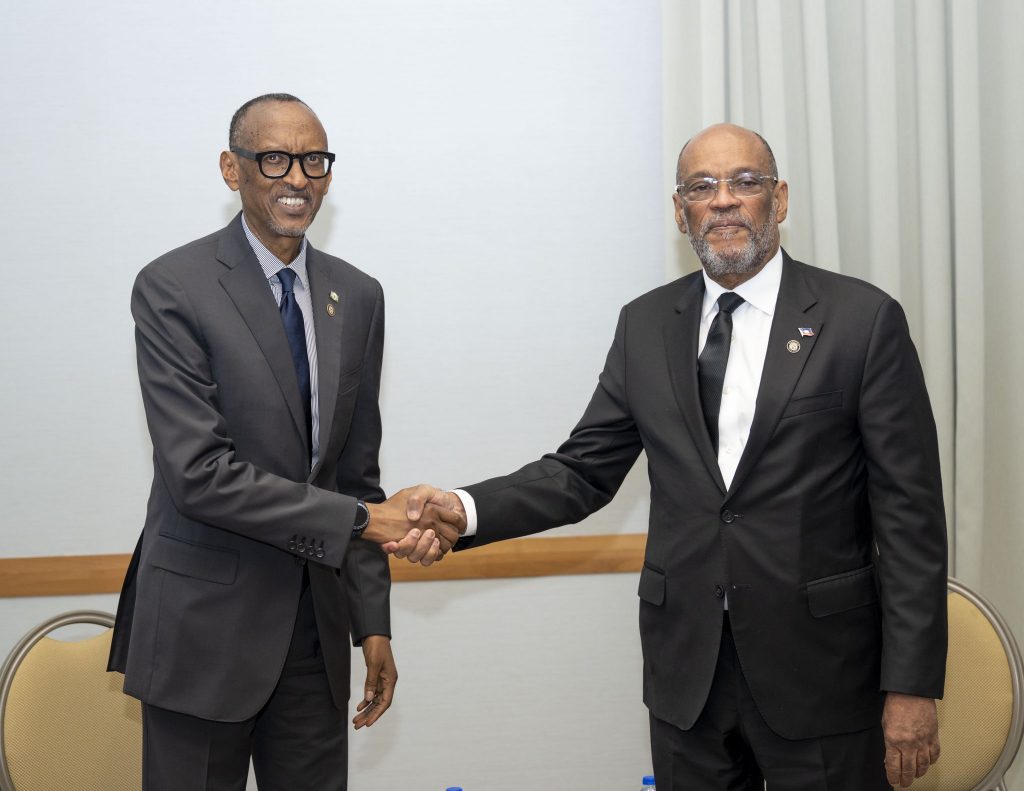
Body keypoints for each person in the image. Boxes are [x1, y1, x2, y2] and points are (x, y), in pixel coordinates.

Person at [394, 123, 948, 789]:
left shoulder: (861, 320)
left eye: (745, 182)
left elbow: (910, 523)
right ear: (680, 208)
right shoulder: (647, 325)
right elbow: (581, 471)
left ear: (780, 199)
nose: (723, 200)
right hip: (689, 678)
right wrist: (465, 507)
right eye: (701, 186)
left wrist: (912, 686)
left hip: (823, 676)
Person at [107, 93, 462, 791]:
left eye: (313, 160)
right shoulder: (172, 288)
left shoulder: (357, 297)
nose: (296, 178)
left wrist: (373, 625)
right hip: (201, 633)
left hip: (313, 637)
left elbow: (355, 471)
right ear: (231, 168)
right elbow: (199, 473)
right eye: (273, 158)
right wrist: (363, 520)